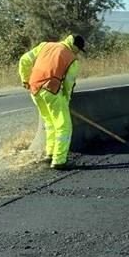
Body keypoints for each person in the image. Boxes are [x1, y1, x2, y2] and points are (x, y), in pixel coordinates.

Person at [18, 34, 85, 170]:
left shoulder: (45, 45)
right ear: (75, 46)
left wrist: (25, 80)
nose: (78, 52)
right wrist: (66, 99)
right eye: (79, 49)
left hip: (34, 89)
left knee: (49, 123)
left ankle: (50, 153)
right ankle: (59, 160)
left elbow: (24, 60)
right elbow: (68, 83)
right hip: (51, 90)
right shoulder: (72, 59)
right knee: (63, 126)